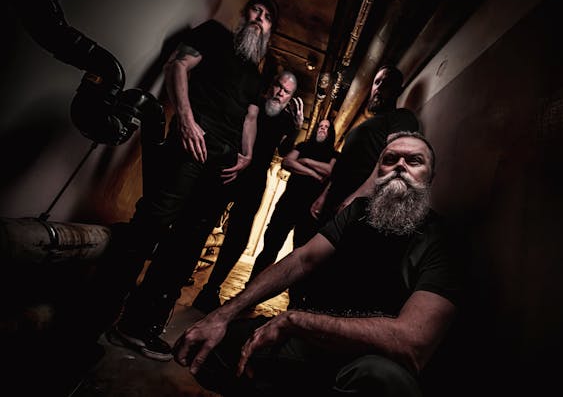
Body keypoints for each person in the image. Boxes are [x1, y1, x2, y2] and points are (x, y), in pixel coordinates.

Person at [173, 131, 460, 397]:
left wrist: (296, 321)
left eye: (414, 161)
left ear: (430, 177)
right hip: (316, 342)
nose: (399, 166)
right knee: (208, 348)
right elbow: (302, 259)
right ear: (379, 171)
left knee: (384, 378)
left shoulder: (442, 240)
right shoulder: (357, 213)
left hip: (366, 357)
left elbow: (412, 343)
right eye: (390, 159)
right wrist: (224, 314)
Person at [102, 0, 280, 362]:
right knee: (152, 223)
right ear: (244, 14)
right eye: (256, 11)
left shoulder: (257, 73)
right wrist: (184, 118)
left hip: (223, 165)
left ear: (269, 33)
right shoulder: (214, 35)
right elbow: (178, 65)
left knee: (187, 245)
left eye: (266, 18)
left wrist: (247, 156)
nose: (259, 18)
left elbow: (250, 118)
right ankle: (100, 312)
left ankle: (139, 326)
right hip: (191, 144)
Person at [191, 71, 303, 313]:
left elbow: (284, 152)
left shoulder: (285, 119)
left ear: (290, 97)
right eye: (278, 86)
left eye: (286, 92)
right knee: (203, 222)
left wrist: (296, 129)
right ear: (271, 85)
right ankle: (180, 275)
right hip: (230, 169)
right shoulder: (252, 103)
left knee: (239, 238)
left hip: (255, 181)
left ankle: (211, 289)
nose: (280, 93)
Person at [310, 65, 420, 227]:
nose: (379, 87)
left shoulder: (401, 117)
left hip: (356, 207)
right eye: (377, 82)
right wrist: (324, 195)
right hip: (332, 202)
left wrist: (357, 198)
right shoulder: (364, 125)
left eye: (387, 83)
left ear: (398, 90)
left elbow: (394, 163)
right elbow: (342, 165)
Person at [246, 119, 338, 301]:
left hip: (310, 211)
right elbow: (287, 162)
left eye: (326, 128)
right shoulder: (303, 146)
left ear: (330, 133)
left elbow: (329, 171)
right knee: (270, 248)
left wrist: (304, 162)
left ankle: (294, 302)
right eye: (320, 126)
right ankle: (250, 292)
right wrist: (313, 172)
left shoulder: (334, 155)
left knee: (302, 254)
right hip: (288, 204)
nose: (322, 129)